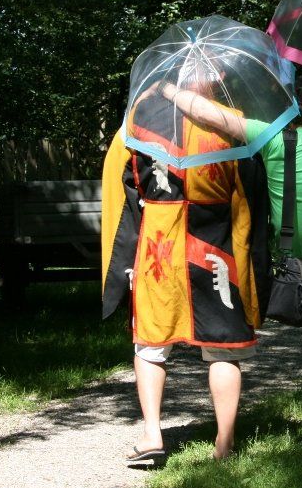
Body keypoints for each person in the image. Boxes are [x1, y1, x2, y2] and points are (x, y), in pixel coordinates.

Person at [161, 74, 302, 456]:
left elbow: (210, 114)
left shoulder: (274, 138)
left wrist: (167, 88)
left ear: (288, 114)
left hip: (286, 282)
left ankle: (227, 431)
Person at [101, 65, 271, 463]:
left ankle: (152, 434)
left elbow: (118, 181)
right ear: (214, 79)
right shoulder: (231, 123)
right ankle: (224, 445)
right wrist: (250, 260)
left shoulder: (138, 116)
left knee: (151, 344)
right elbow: (249, 195)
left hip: (158, 246)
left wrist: (122, 254)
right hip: (215, 249)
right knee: (222, 348)